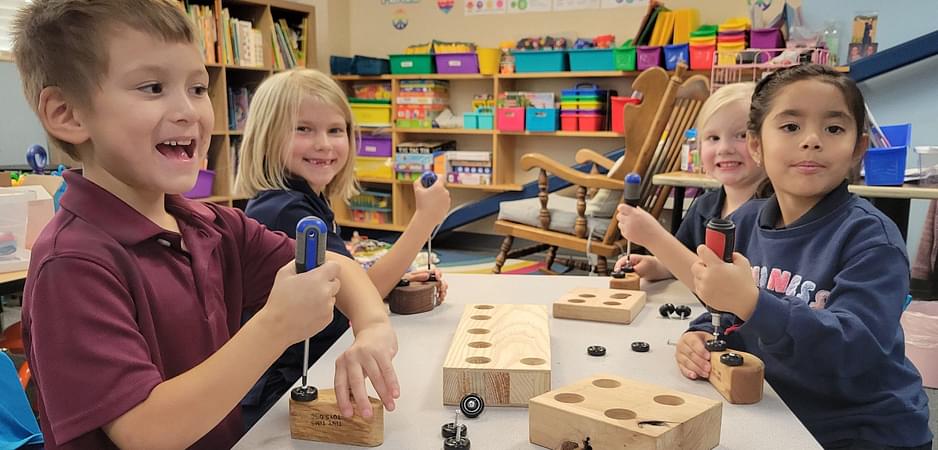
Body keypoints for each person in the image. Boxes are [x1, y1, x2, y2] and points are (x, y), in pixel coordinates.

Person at [12, 1, 398, 448]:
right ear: (68, 114)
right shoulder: (72, 262)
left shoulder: (211, 226)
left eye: (198, 88)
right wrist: (275, 326)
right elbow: (146, 430)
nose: (190, 111)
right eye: (153, 87)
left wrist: (372, 328)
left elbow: (336, 267)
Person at [679, 64, 932, 449]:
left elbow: (854, 351)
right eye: (791, 127)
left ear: (857, 149)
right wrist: (699, 333)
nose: (812, 140)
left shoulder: (871, 239)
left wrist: (752, 301)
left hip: (863, 432)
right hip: (778, 415)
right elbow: (727, 313)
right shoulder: (742, 223)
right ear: (756, 146)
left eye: (834, 128)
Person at [234, 68, 450, 425]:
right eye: (303, 129)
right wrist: (423, 220)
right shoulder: (285, 210)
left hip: (320, 362)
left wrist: (395, 277)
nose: (324, 143)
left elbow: (347, 283)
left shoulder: (304, 199)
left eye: (336, 130)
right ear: (267, 136)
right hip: (283, 393)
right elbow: (364, 288)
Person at [613, 82, 765, 289]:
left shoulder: (775, 213)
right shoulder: (704, 206)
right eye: (713, 138)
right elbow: (687, 259)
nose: (724, 148)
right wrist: (657, 266)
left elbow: (725, 289)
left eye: (742, 136)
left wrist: (653, 236)